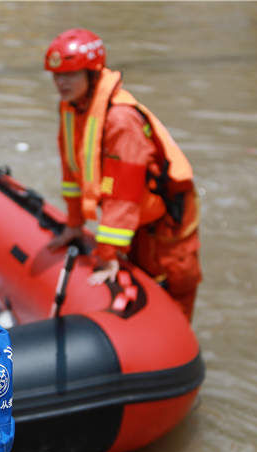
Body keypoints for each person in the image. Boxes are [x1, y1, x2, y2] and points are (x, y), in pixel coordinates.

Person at [43, 28, 201, 321]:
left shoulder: (121, 121)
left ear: (92, 73)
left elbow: (123, 194)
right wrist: (75, 223)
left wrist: (107, 254)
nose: (60, 83)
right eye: (56, 75)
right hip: (134, 219)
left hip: (165, 225)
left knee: (173, 295)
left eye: (70, 74)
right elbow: (72, 172)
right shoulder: (71, 108)